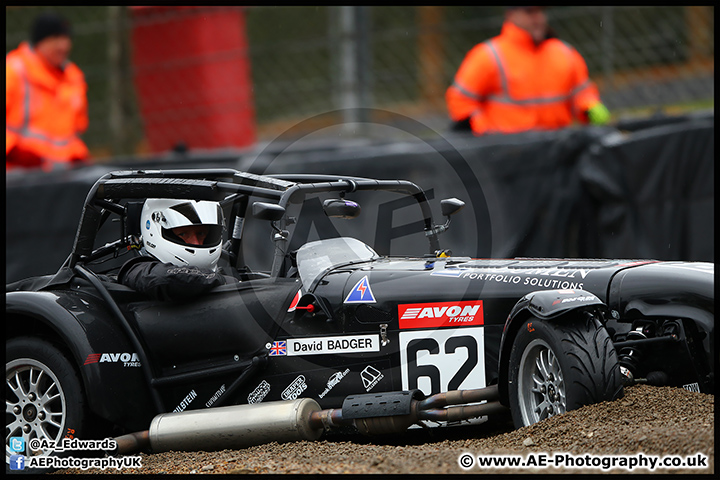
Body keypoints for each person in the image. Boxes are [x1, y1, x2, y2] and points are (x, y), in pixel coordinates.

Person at [446, 6, 611, 135]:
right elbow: (460, 100)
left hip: (557, 152)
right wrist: (484, 131)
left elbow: (582, 95)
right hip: (508, 156)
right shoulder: (489, 56)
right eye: (530, 12)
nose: (538, 18)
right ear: (511, 15)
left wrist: (590, 107)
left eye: (540, 11)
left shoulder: (564, 53)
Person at [6, 11, 90, 171]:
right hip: (16, 173)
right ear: (39, 42)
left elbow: (75, 133)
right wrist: (14, 152)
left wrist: (79, 158)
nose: (63, 46)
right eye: (55, 38)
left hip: (60, 175)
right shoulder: (13, 71)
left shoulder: (74, 77)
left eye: (66, 39)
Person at [118, 199, 228, 302]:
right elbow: (163, 278)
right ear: (153, 231)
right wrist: (223, 281)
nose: (195, 243)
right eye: (183, 234)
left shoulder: (228, 274)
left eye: (201, 233)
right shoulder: (138, 270)